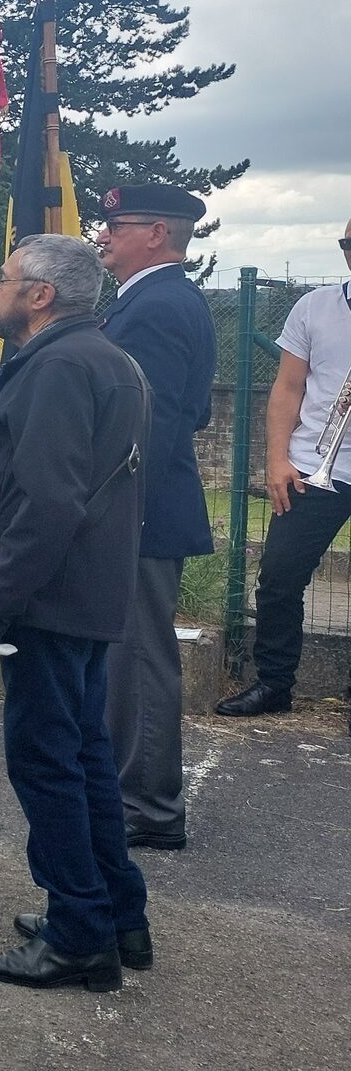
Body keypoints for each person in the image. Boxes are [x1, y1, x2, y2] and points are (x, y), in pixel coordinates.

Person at [0, 235, 154, 994]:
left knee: (47, 763)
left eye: (6, 278)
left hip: (48, 598)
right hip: (84, 592)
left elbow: (46, 500)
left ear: (41, 296)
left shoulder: (59, 366)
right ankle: (116, 913)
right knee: (81, 760)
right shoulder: (106, 357)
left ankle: (79, 931)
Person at [95, 184, 216, 849]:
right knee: (128, 656)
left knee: (139, 660)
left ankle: (149, 807)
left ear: (157, 236)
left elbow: (154, 423)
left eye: (118, 225)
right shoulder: (153, 300)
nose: (104, 236)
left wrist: (115, 508)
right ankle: (137, 792)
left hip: (140, 511)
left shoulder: (159, 306)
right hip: (142, 506)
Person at [216, 214, 351, 730]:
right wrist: (277, 458)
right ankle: (274, 684)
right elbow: (289, 387)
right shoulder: (315, 306)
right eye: (347, 243)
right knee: (277, 580)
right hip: (316, 465)